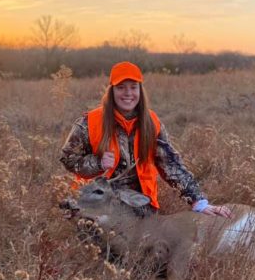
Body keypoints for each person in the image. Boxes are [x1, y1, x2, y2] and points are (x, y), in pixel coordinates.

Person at [60, 61, 231, 218]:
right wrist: (97, 163)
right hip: (98, 198)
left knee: (141, 241)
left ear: (140, 90)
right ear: (112, 91)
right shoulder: (89, 122)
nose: (128, 93)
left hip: (138, 201)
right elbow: (68, 159)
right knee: (101, 238)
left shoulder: (152, 123)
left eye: (133, 87)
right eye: (121, 88)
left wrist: (198, 201)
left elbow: (171, 165)